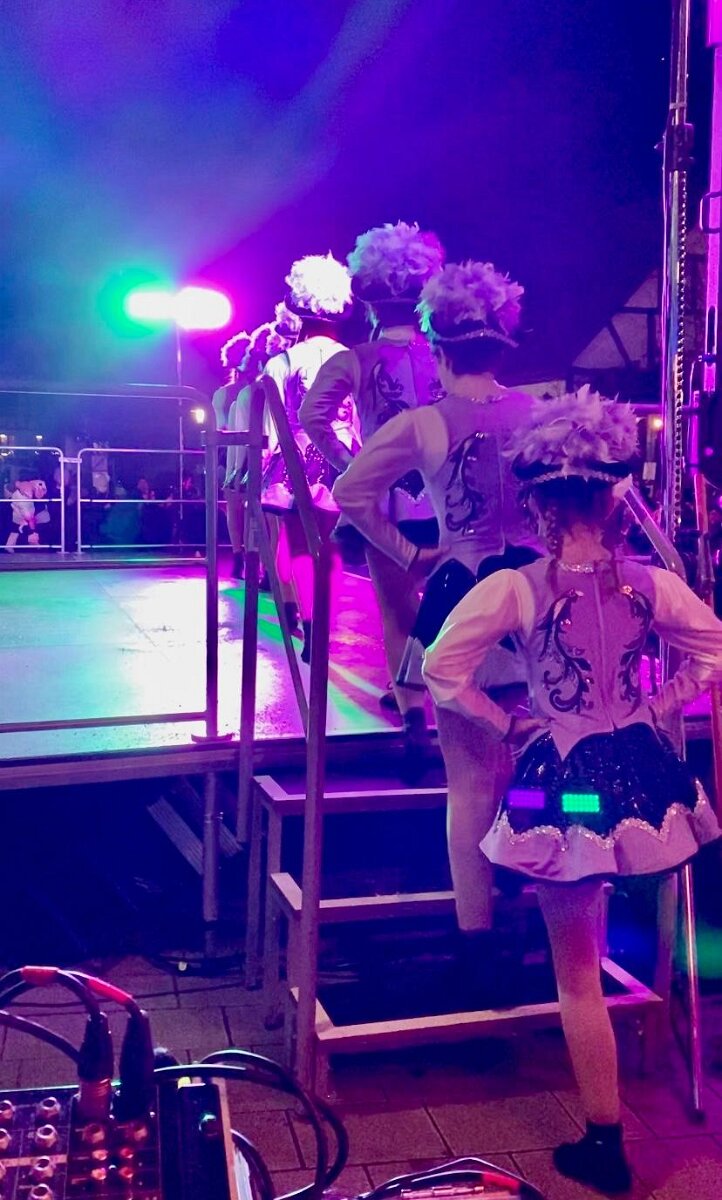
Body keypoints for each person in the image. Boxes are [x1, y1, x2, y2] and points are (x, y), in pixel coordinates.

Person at [423, 386, 722, 1195]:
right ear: (612, 498)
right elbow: (715, 649)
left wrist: (505, 722)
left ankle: (605, 1139)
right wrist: (662, 703)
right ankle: (612, 1115)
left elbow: (441, 670)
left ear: (539, 503)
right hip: (641, 787)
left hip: (565, 791)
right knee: (595, 927)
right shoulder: (649, 584)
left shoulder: (516, 587)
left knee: (576, 970)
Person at [334, 259, 540, 945]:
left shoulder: (425, 423)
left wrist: (407, 552)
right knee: (533, 762)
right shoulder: (538, 414)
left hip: (461, 599)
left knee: (470, 782)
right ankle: (534, 892)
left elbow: (349, 493)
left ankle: (477, 938)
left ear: (439, 348)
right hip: (539, 601)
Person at [301, 221, 445, 729]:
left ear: (369, 303)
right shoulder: (444, 357)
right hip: (447, 498)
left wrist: (351, 464)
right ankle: (443, 691)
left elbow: (312, 416)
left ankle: (411, 712)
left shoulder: (356, 359)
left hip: (384, 502)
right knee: (449, 601)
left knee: (396, 608)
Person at [263, 253, 359, 662]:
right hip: (346, 460)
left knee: (301, 545)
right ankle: (326, 625)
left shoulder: (281, 362)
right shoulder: (356, 358)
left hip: (295, 461)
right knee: (332, 548)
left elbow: (272, 429)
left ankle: (312, 625)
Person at [213, 331, 250, 578]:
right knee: (242, 509)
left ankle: (240, 556)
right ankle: (245, 557)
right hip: (237, 453)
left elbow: (221, 428)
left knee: (234, 508)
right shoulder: (227, 394)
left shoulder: (223, 394)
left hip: (229, 453)